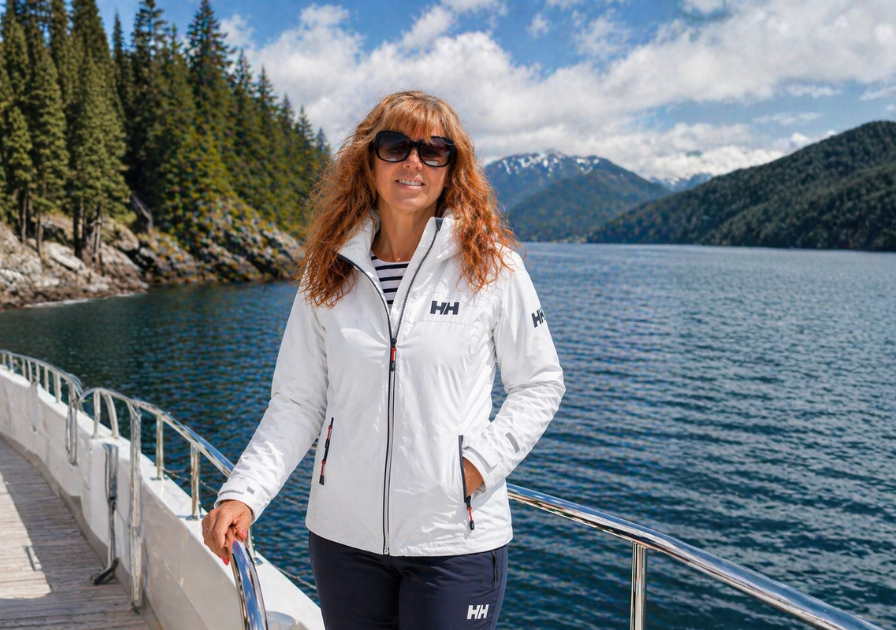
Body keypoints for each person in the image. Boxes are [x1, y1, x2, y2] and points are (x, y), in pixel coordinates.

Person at [201, 90, 564, 630]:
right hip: (344, 540)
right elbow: (298, 401)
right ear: (369, 161)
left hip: (453, 539)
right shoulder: (329, 272)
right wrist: (243, 493)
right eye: (396, 146)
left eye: (433, 150)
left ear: (451, 169)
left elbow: (540, 382)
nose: (413, 161)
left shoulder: (493, 267)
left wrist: (477, 465)